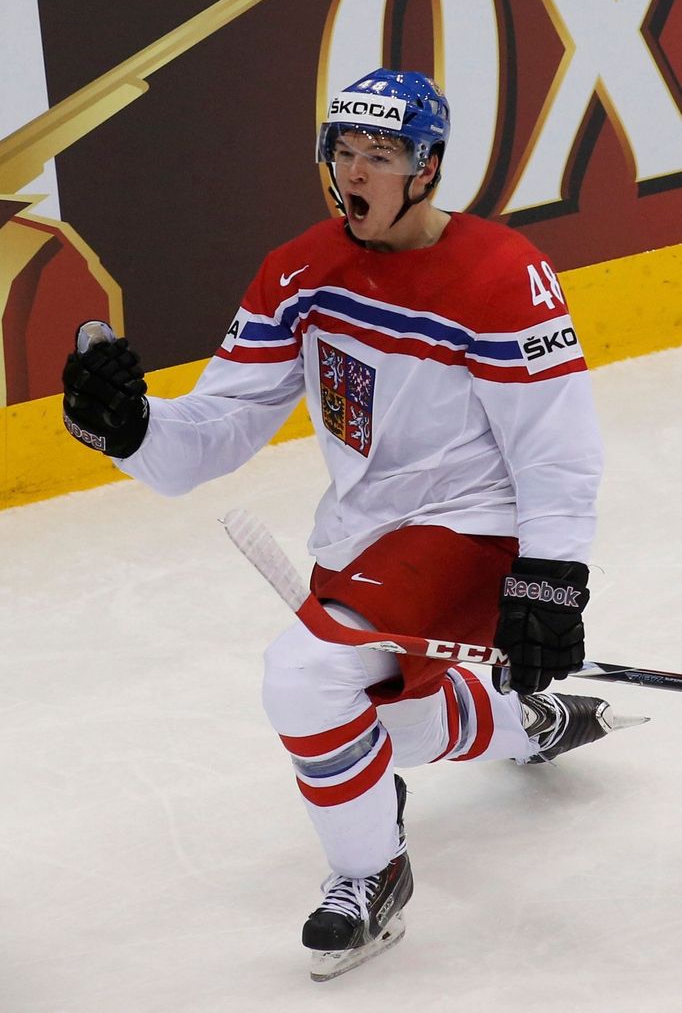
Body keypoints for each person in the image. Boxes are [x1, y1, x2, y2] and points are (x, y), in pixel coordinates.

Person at [61, 69, 640, 981]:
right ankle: (520, 720)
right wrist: (132, 427)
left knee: (303, 681)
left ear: (429, 169)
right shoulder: (301, 269)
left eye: (382, 155)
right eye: (344, 152)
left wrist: (550, 578)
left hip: (476, 529)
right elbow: (206, 443)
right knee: (372, 726)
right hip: (366, 539)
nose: (355, 173)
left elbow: (556, 451)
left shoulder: (501, 274)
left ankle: (371, 876)